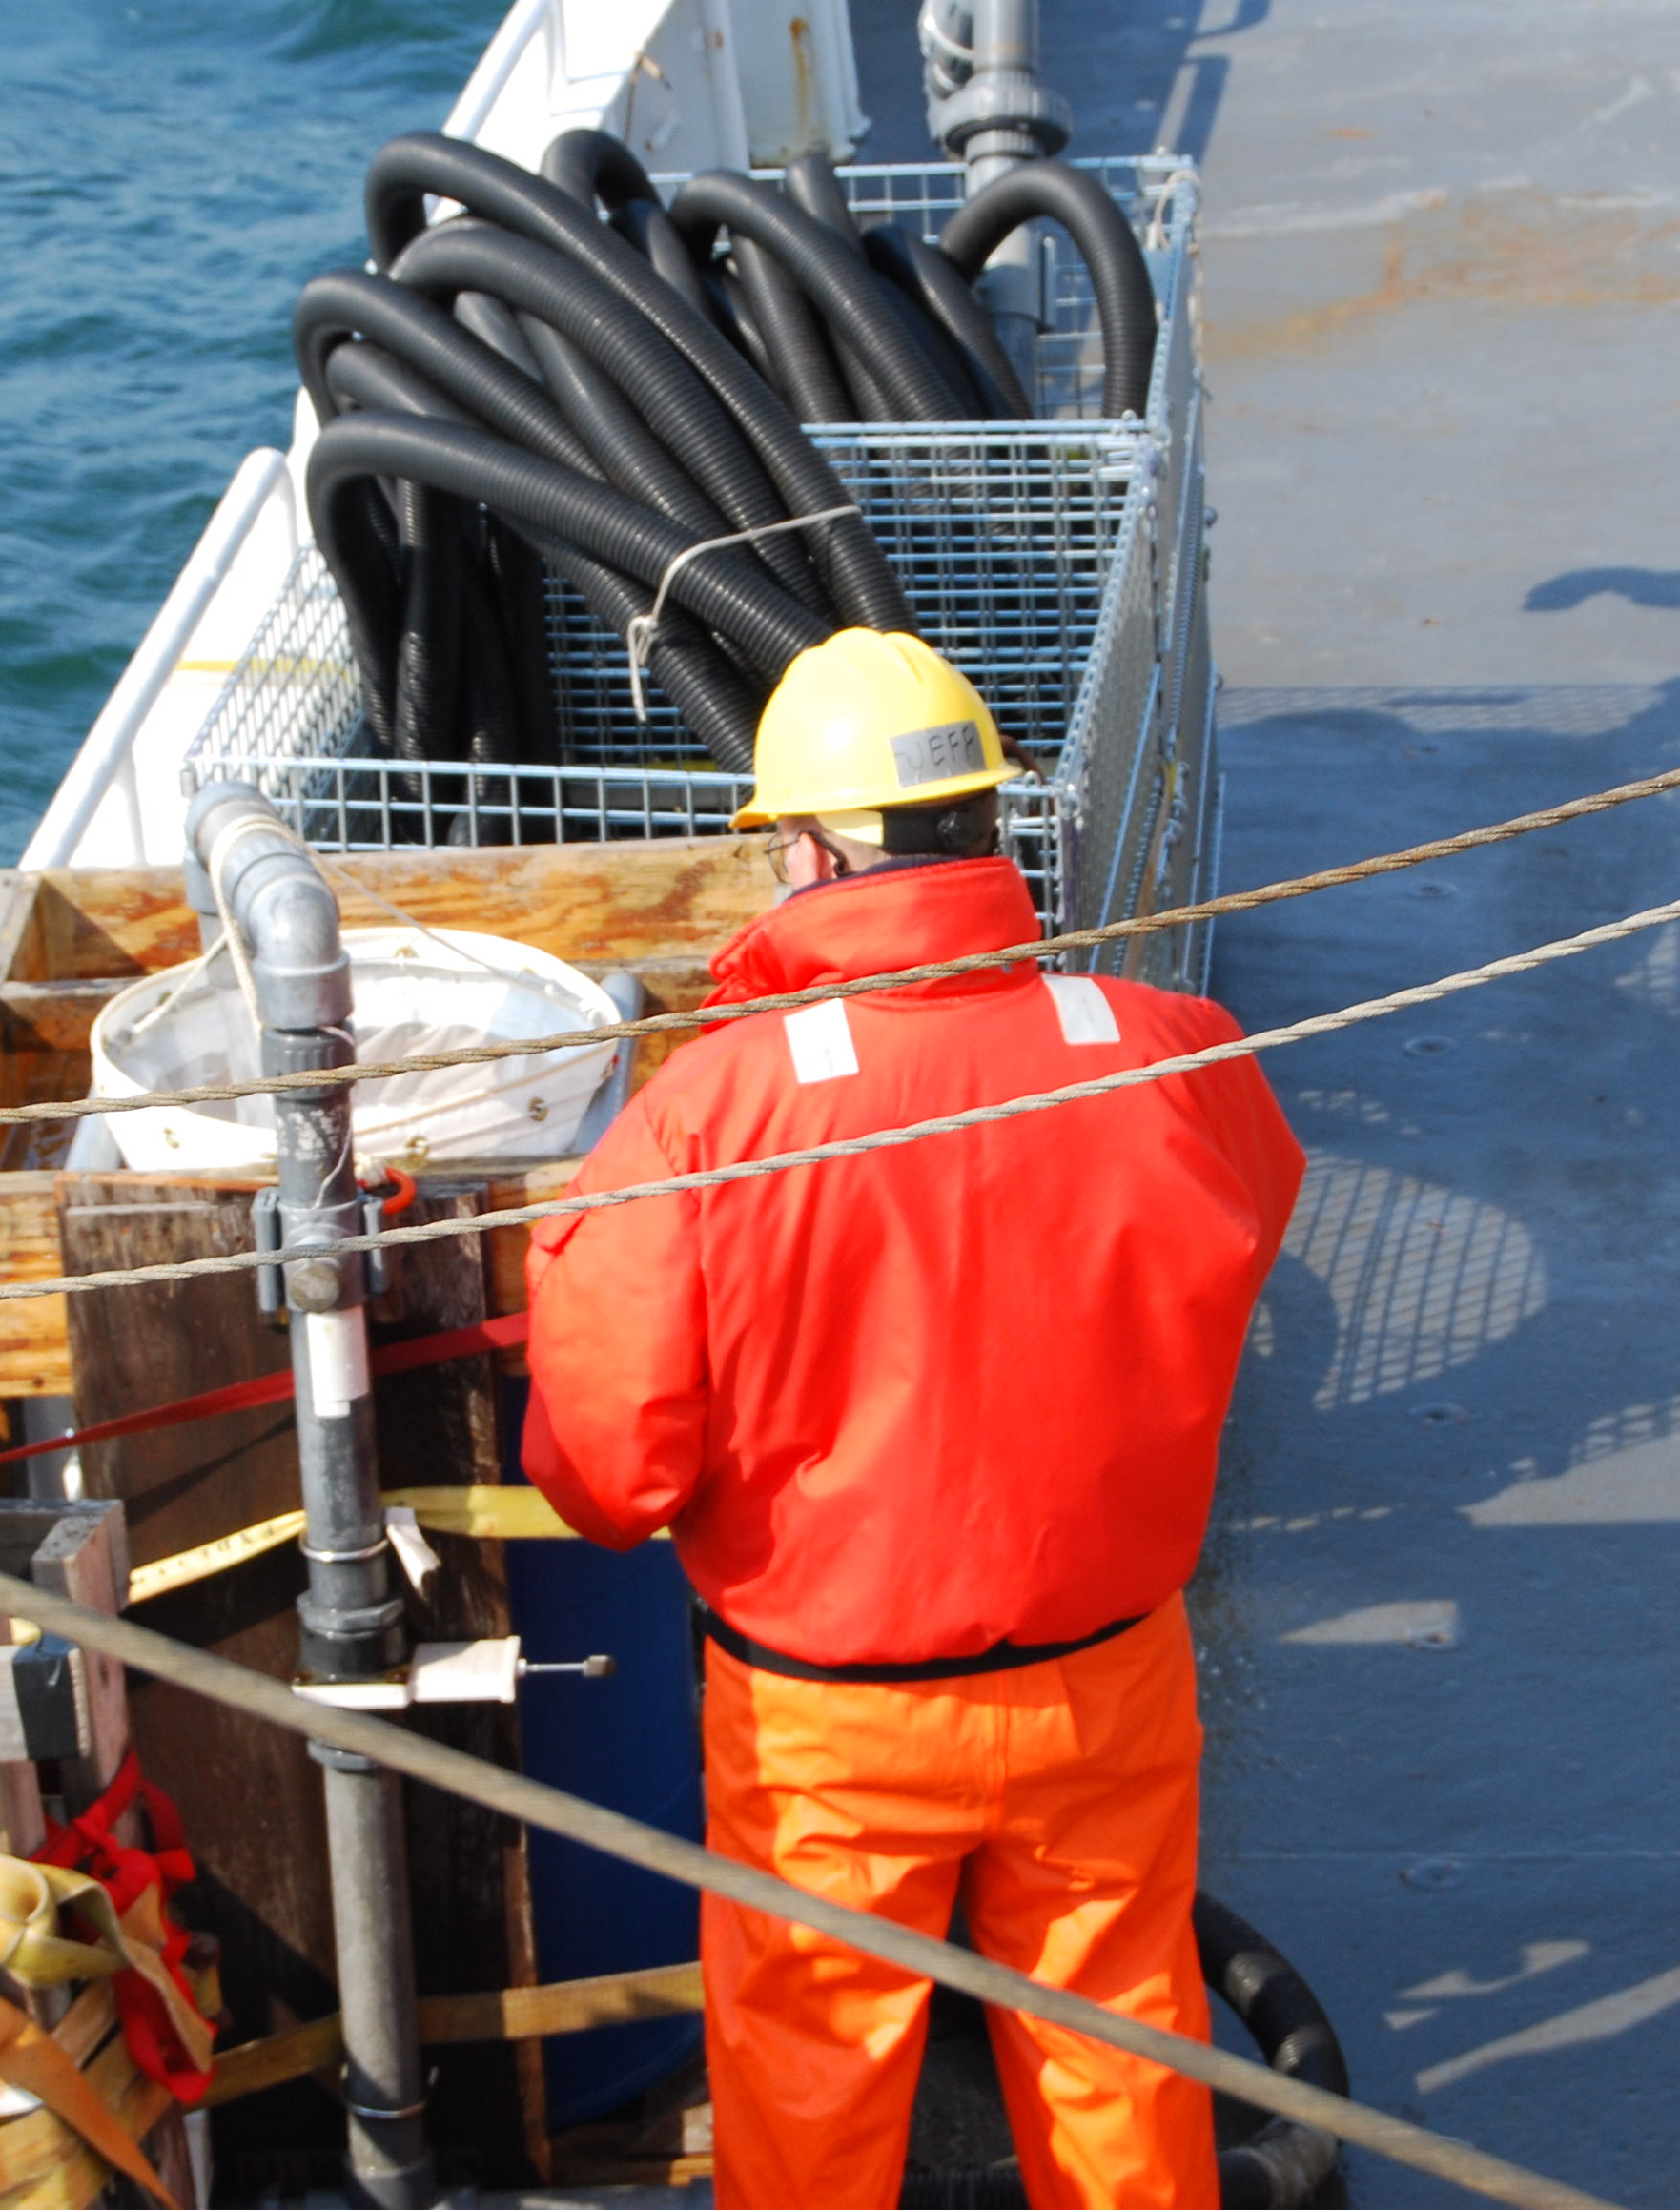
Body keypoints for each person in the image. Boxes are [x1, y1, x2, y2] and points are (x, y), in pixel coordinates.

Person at [522, 628, 1303, 2210]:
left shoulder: (712, 1114)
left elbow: (608, 1475)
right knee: (1121, 2051)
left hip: (832, 1724)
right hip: (1106, 1679)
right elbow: (1245, 1215)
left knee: (813, 2091)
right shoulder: (1167, 1049)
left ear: (812, 854)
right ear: (986, 827)